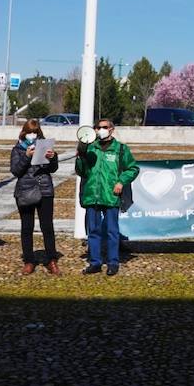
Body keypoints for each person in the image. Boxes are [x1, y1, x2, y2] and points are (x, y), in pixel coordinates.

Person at [75, 118, 138, 276]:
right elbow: (82, 171)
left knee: (112, 231)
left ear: (111, 130)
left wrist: (121, 182)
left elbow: (132, 168)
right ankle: (95, 262)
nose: (100, 130)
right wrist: (81, 157)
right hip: (92, 196)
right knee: (93, 232)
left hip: (111, 196)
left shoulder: (121, 149)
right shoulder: (90, 148)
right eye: (97, 127)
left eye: (104, 127)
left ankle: (113, 262)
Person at [11, 118, 60, 275]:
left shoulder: (45, 146)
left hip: (45, 190)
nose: (32, 135)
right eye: (29, 132)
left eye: (35, 132)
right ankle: (29, 260)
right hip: (25, 190)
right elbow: (16, 171)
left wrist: (53, 158)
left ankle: (51, 260)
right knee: (27, 227)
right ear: (24, 133)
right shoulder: (18, 149)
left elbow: (52, 169)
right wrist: (26, 156)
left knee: (47, 227)